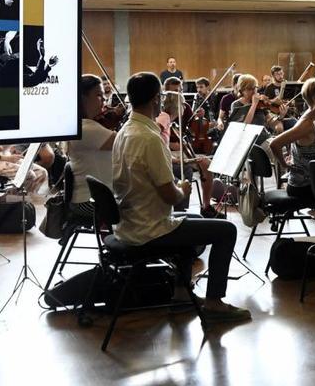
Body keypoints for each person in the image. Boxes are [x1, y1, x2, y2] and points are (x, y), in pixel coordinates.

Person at [111, 72, 251, 323]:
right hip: (150, 228)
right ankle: (214, 302)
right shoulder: (150, 138)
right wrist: (183, 189)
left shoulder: (125, 131)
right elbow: (170, 197)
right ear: (156, 99)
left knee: (194, 217)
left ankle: (180, 293)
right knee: (227, 230)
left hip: (130, 222)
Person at [158, 89, 225, 219]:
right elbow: (156, 138)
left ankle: (206, 206)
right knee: (206, 163)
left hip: (172, 155)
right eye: (183, 104)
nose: (184, 107)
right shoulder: (164, 117)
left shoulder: (170, 120)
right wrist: (176, 160)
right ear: (177, 106)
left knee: (205, 163)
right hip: (168, 158)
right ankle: (203, 207)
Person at [270, 78, 315, 205]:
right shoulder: (307, 124)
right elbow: (275, 144)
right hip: (302, 186)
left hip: (314, 181)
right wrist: (284, 164)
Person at [67, 74, 116, 217]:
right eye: (98, 95)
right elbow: (126, 142)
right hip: (90, 202)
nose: (104, 99)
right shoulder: (86, 128)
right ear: (83, 98)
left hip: (88, 198)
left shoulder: (80, 125)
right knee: (145, 204)